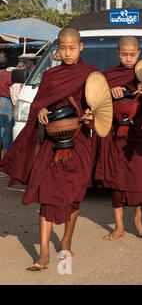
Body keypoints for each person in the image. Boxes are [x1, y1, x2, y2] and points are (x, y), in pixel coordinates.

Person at [0, 27, 97, 271]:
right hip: (53, 143)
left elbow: (101, 107)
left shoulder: (91, 74)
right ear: (57, 50)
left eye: (72, 48)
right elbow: (39, 104)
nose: (67, 52)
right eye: (62, 48)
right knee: (47, 195)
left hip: (80, 142)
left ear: (81, 47)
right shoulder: (52, 75)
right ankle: (43, 253)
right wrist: (41, 111)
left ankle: (65, 241)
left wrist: (90, 115)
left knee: (73, 196)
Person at [94, 36, 142, 240]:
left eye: (132, 54)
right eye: (124, 54)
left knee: (139, 178)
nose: (128, 59)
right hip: (116, 133)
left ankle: (137, 220)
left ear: (139, 53)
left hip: (138, 133)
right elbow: (96, 98)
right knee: (117, 178)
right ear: (117, 53)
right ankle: (118, 226)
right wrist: (109, 92)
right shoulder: (109, 76)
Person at [0, 61, 26, 161]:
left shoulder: (3, 71)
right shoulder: (16, 76)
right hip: (4, 104)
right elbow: (15, 97)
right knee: (6, 133)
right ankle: (5, 161)